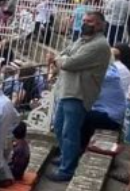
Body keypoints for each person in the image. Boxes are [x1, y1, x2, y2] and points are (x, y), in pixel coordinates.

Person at [46, 11, 112, 182]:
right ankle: (65, 157)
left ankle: (67, 169)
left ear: (99, 25)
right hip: (66, 90)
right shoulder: (82, 39)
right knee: (60, 128)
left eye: (89, 21)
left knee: (70, 133)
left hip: (79, 93)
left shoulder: (99, 45)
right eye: (84, 20)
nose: (85, 23)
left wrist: (59, 60)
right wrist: (62, 58)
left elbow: (68, 63)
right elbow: (65, 52)